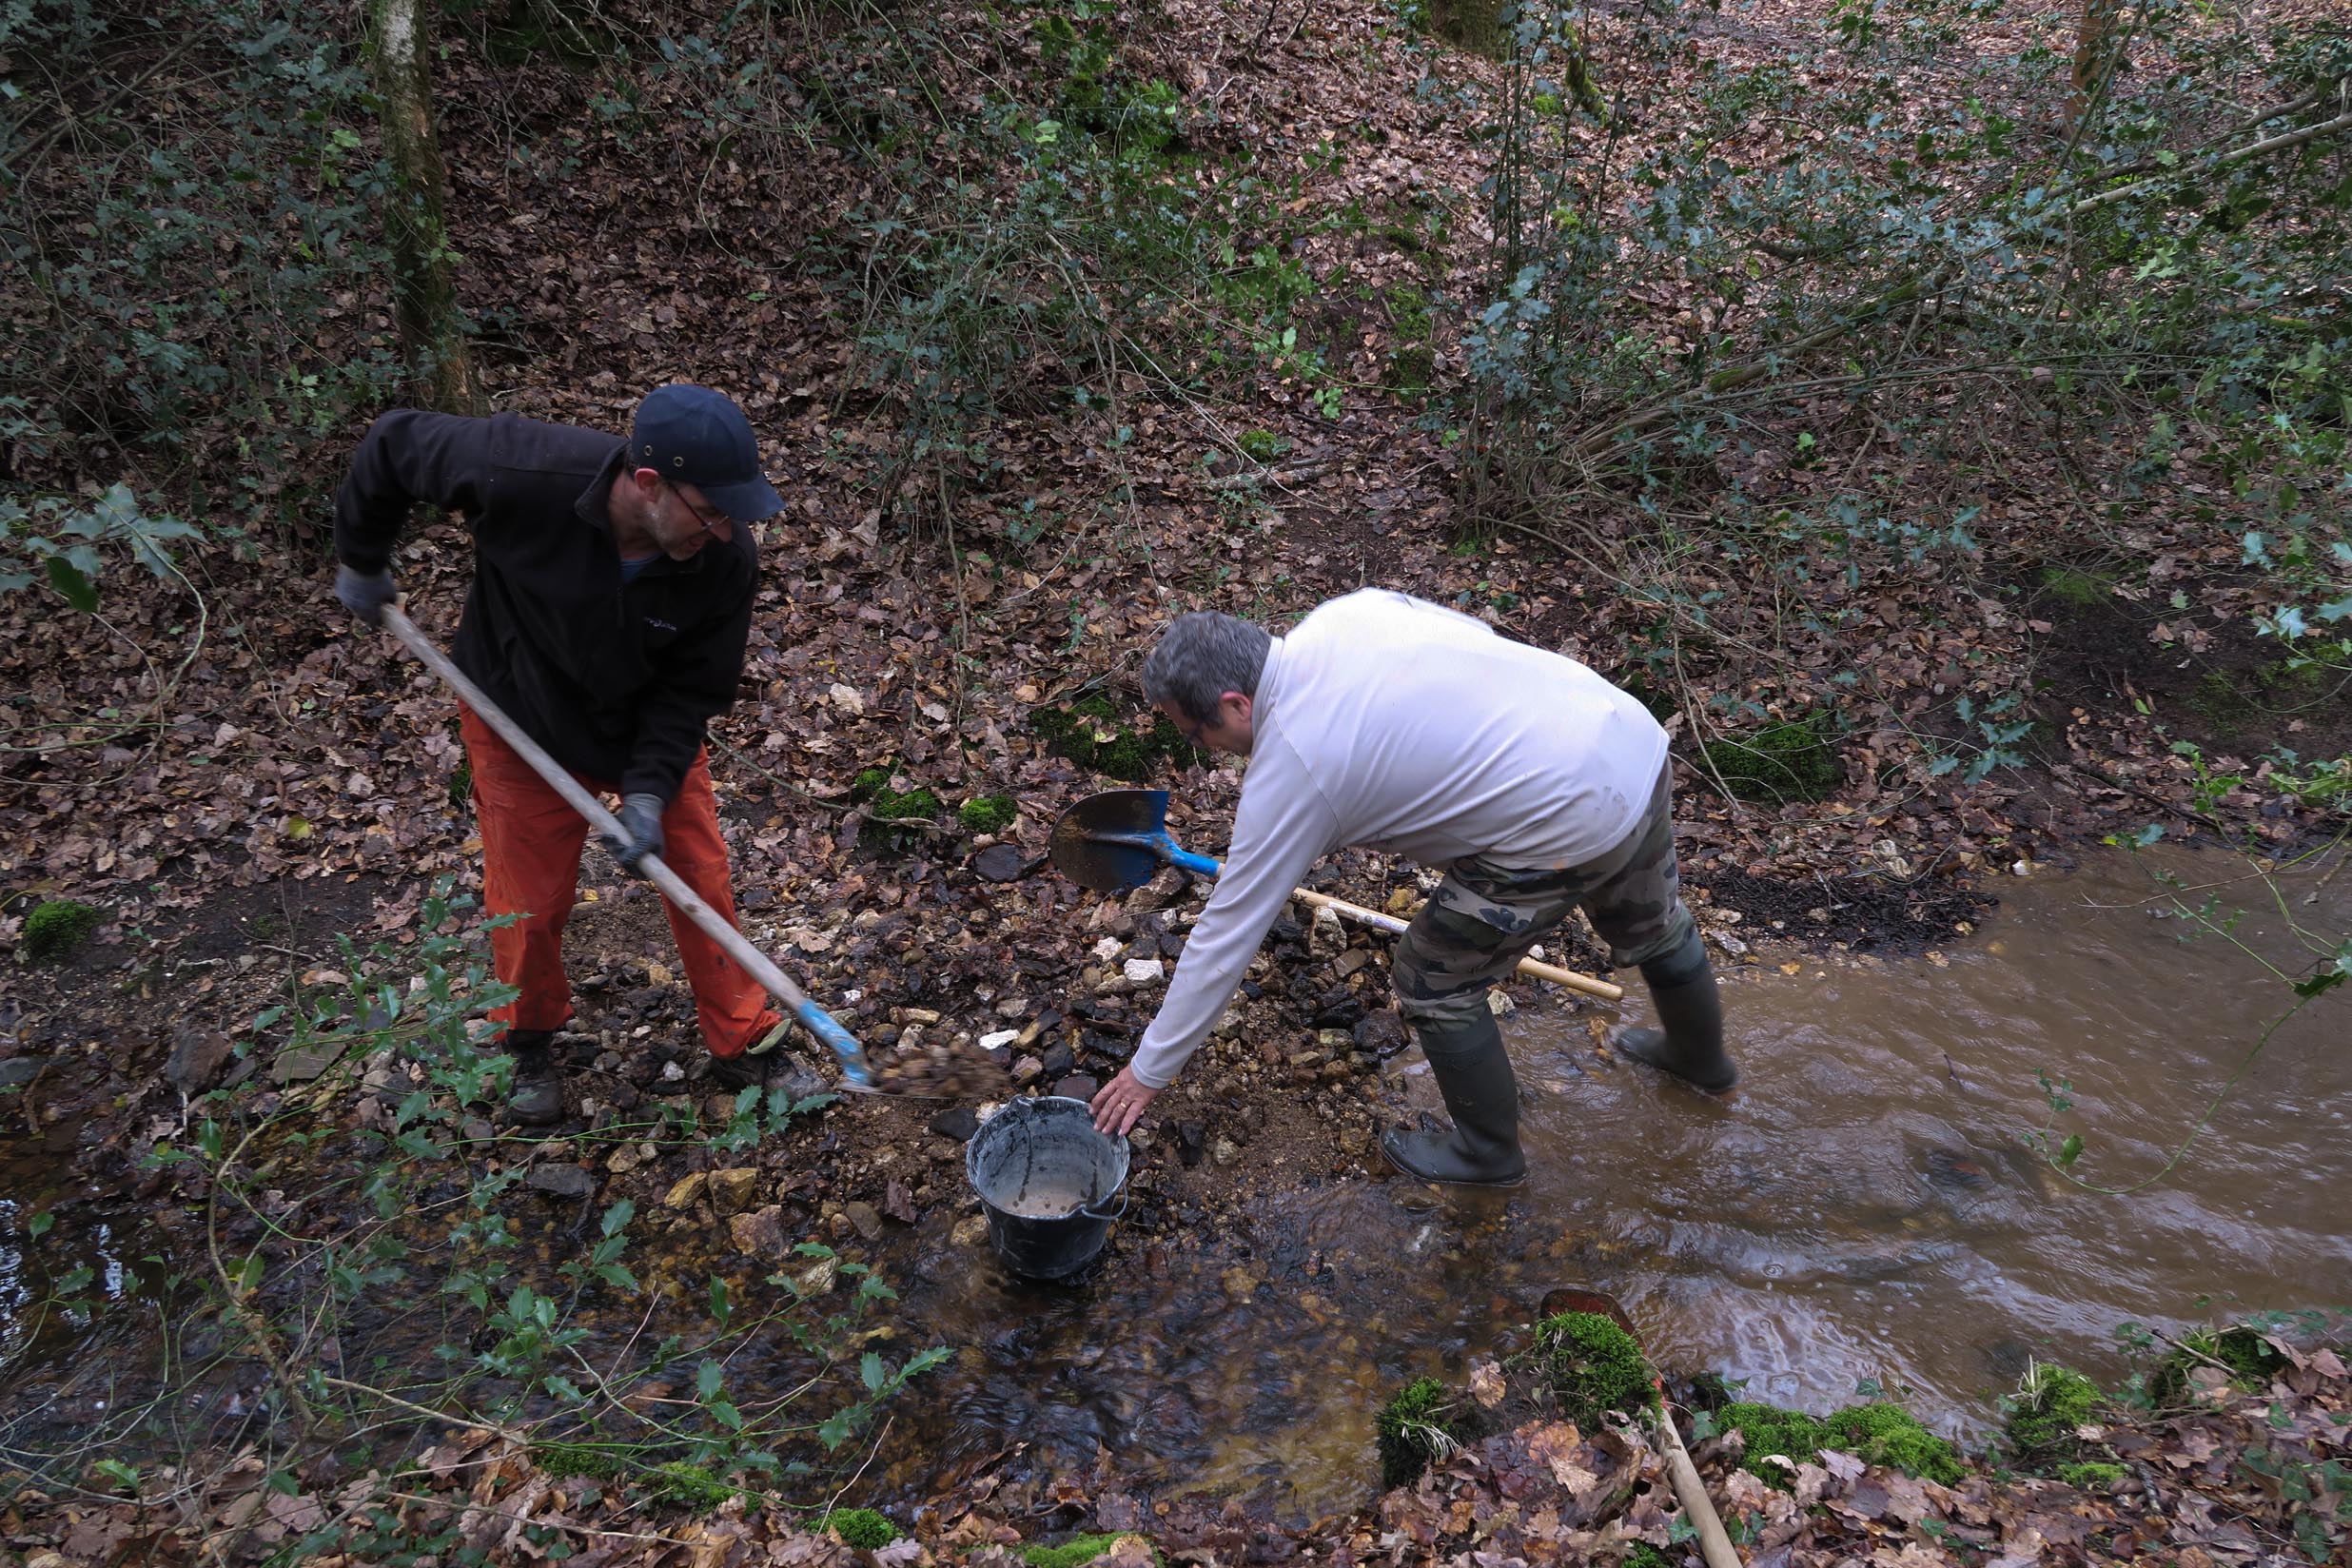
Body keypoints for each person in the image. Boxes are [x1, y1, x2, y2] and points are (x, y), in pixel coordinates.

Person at [1088, 589, 1736, 1186]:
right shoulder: (1348, 614)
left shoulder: (1298, 763)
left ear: (1234, 704)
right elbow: (1475, 642)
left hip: (1561, 814)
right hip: (1624, 737)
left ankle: (1487, 1155)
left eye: (1196, 733)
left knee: (1434, 977)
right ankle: (1701, 1062)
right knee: (1654, 919)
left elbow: (1227, 934)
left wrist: (1149, 1071)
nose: (1204, 749)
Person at [333, 384, 787, 1125]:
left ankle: (743, 1041)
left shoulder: (723, 560)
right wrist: (360, 556)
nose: (727, 529)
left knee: (697, 870)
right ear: (648, 485)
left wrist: (644, 793)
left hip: (641, 723)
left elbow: (688, 695)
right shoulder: (519, 471)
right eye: (711, 511)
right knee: (529, 900)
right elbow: (392, 443)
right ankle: (529, 1039)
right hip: (517, 712)